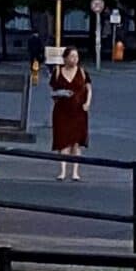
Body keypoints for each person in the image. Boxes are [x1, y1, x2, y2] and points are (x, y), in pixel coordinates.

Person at [50, 43, 91, 178]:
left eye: (76, 56)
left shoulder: (83, 72)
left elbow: (89, 89)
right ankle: (62, 171)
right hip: (62, 112)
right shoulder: (57, 72)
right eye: (72, 56)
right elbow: (53, 91)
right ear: (65, 58)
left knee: (76, 143)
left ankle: (75, 172)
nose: (75, 59)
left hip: (79, 112)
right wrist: (58, 95)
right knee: (63, 141)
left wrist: (87, 103)